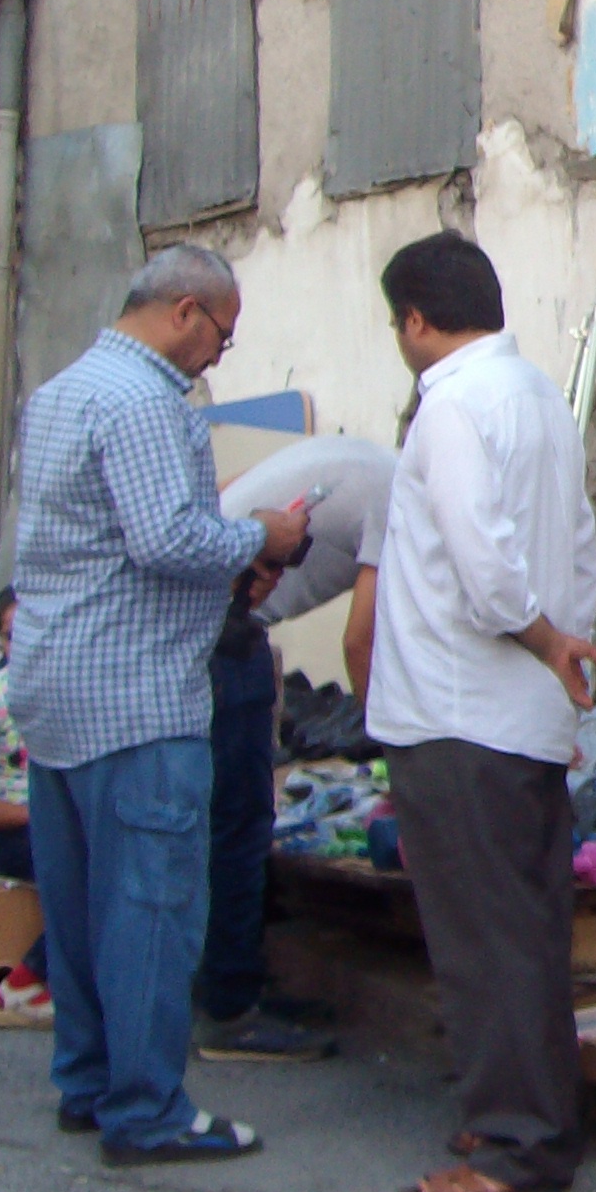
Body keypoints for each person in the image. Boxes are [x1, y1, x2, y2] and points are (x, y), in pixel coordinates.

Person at [6, 245, 308, 1163]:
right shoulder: (145, 401)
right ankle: (146, 1112)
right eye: (222, 334)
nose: (220, 353)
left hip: (58, 687)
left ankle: (88, 1082)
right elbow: (165, 540)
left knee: (79, 908)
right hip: (135, 695)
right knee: (149, 911)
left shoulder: (60, 392)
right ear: (185, 310)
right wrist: (262, 533)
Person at [369, 233, 596, 1192]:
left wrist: (546, 642)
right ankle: (520, 1115)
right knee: (521, 929)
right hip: (514, 715)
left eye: (397, 324)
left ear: (417, 322)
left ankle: (516, 1144)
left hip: (459, 710)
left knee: (486, 939)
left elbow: (484, 563)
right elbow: (577, 546)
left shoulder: (454, 404)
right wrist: (564, 650)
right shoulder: (539, 396)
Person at [196, 435, 398, 1060]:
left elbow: (233, 489)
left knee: (214, 821)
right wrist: (393, 749)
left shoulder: (365, 462)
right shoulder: (403, 500)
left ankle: (230, 985)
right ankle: (233, 1011)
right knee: (239, 826)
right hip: (222, 633)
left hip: (199, 628)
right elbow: (361, 642)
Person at [0, 589, 50, 1029]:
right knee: (80, 866)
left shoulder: (68, 694)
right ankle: (28, 982)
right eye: (11, 635)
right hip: (6, 834)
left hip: (56, 825)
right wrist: (37, 816)